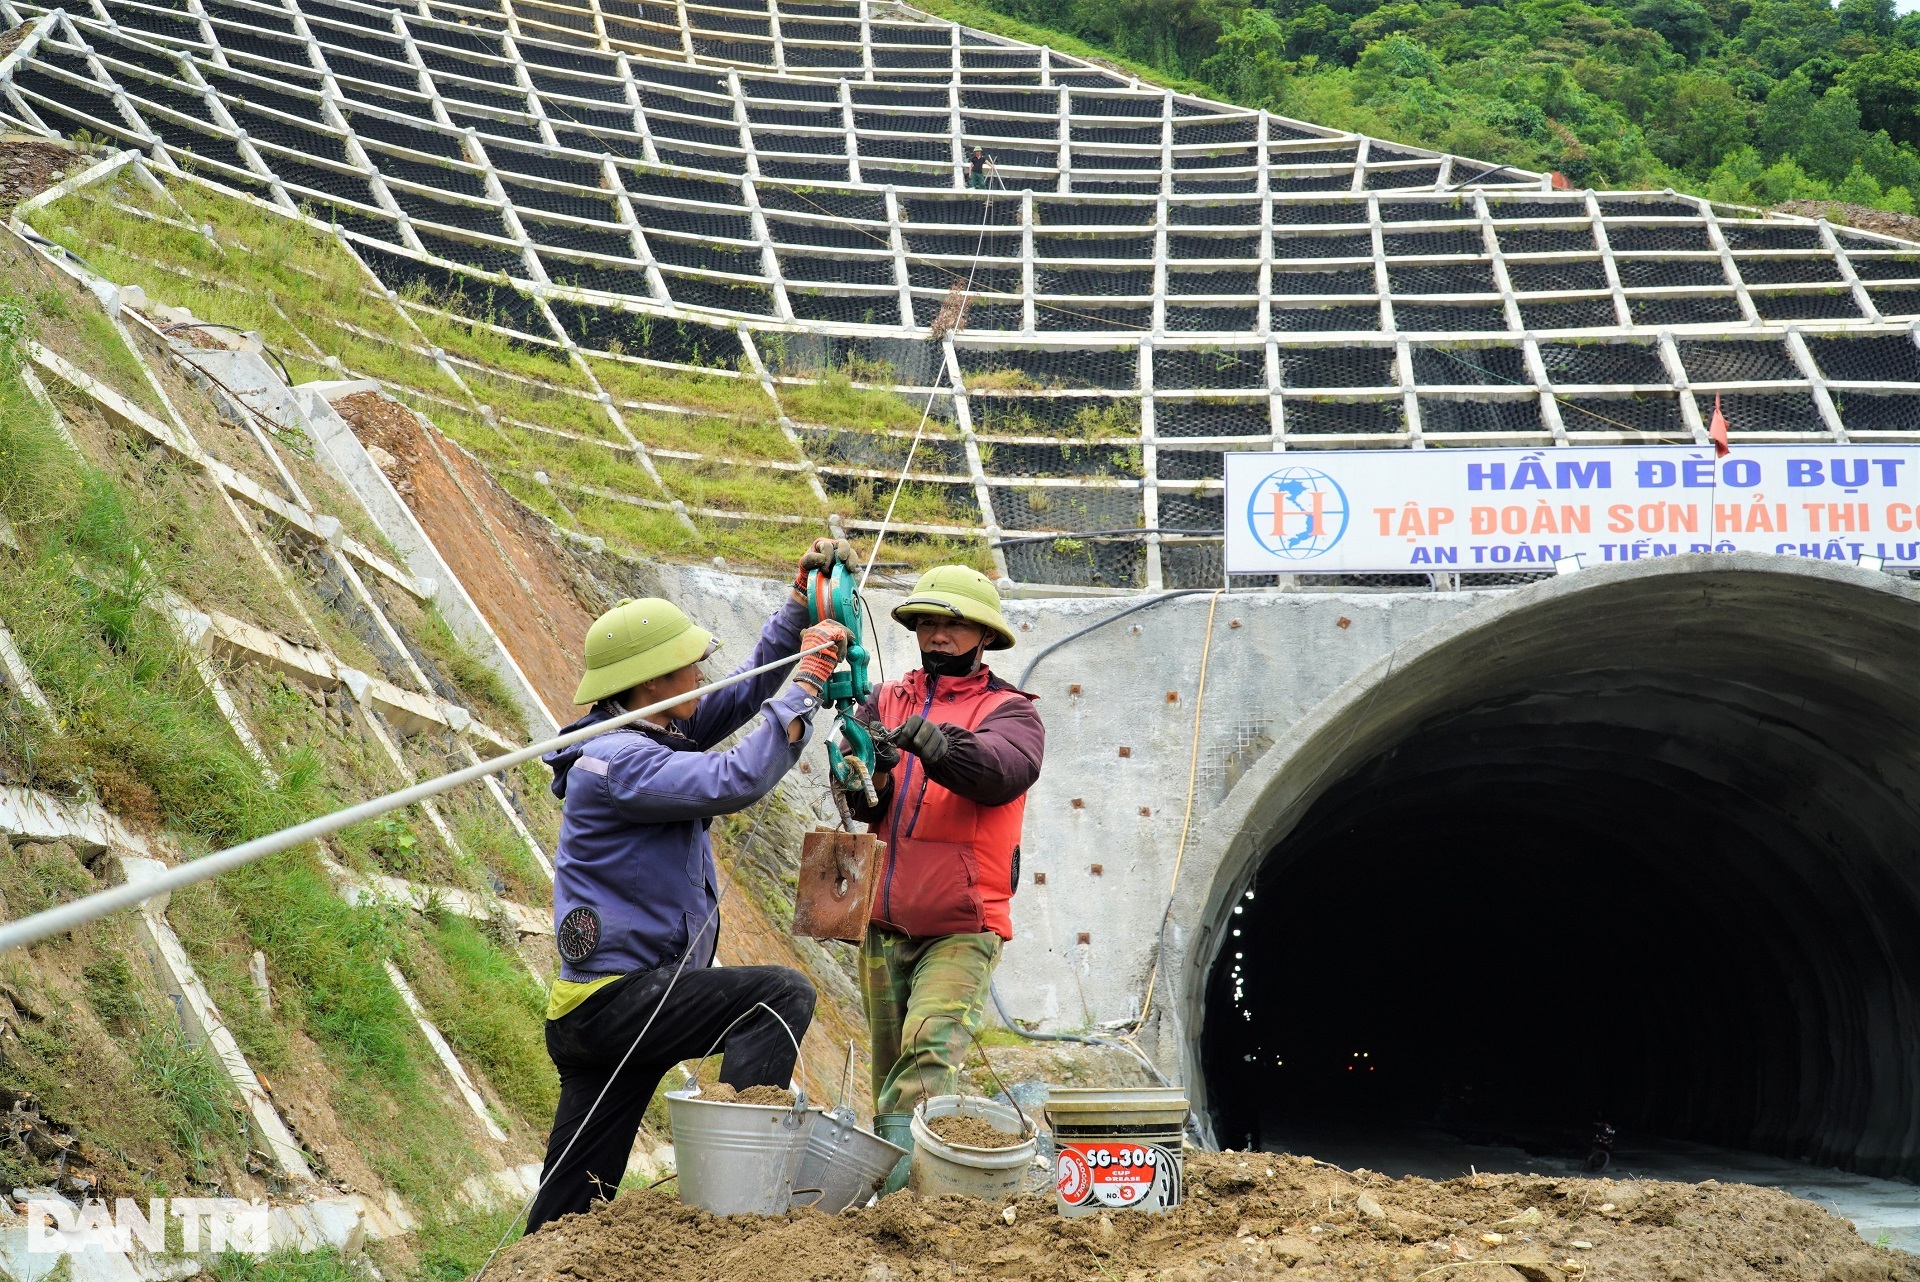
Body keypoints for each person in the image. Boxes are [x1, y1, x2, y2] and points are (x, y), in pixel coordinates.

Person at [525, 539, 855, 1233]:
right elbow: (734, 778)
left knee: (574, 1199)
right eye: (686, 660)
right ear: (650, 681)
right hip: (616, 1001)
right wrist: (808, 685)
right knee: (776, 996)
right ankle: (728, 1216)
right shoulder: (620, 761)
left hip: (592, 1009)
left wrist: (796, 615)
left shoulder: (642, 732)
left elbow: (733, 693)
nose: (699, 666)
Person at [844, 565, 1044, 1189]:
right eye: (927, 622)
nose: (937, 635)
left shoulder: (1011, 711)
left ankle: (912, 1206)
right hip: (885, 916)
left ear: (983, 634)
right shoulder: (881, 699)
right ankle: (898, 1194)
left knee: (929, 1051)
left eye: (952, 623)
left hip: (964, 922)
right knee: (889, 1067)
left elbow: (1000, 772)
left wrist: (930, 741)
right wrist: (861, 777)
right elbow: (867, 804)